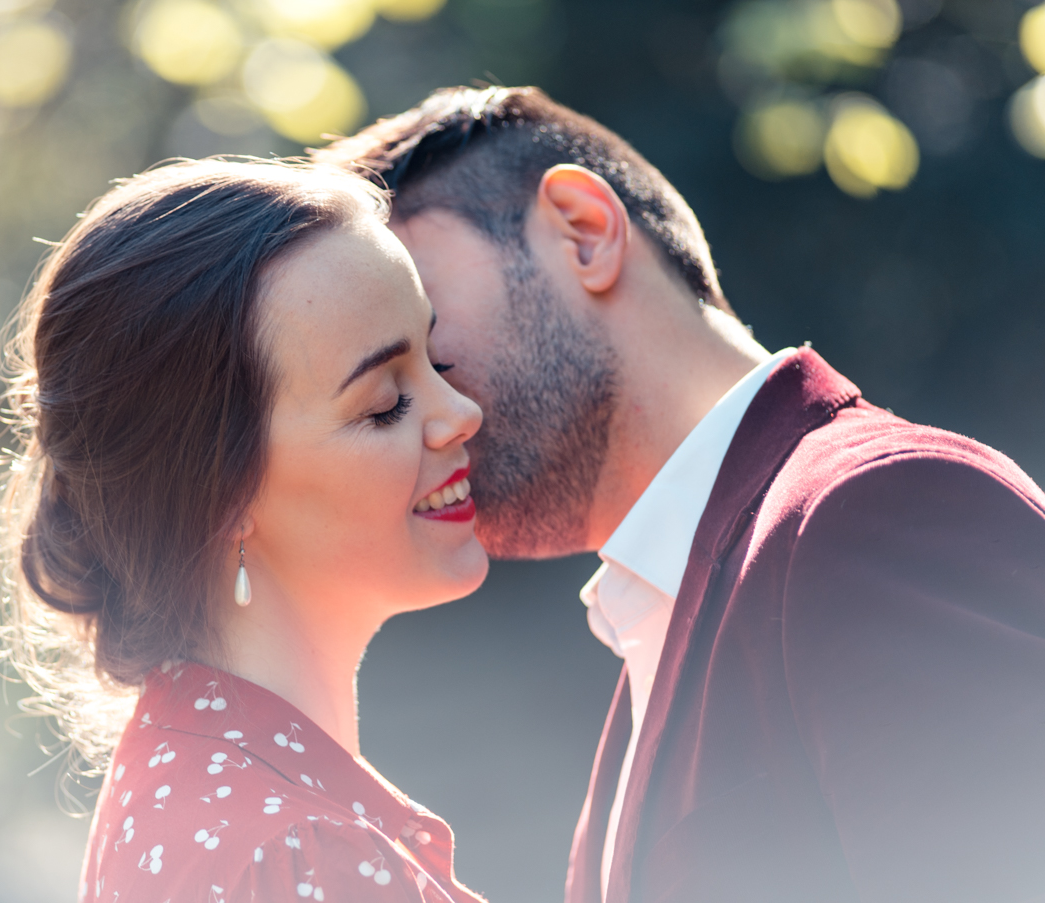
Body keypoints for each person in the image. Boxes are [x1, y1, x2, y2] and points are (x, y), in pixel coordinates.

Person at [317, 86, 1045, 903]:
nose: (424, 416)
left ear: (583, 231)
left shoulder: (876, 512)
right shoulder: (662, 628)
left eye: (424, 339)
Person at [0, 158, 490, 902]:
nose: (461, 413)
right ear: (221, 492)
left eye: (434, 359)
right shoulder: (297, 850)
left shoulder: (190, 781)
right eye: (386, 402)